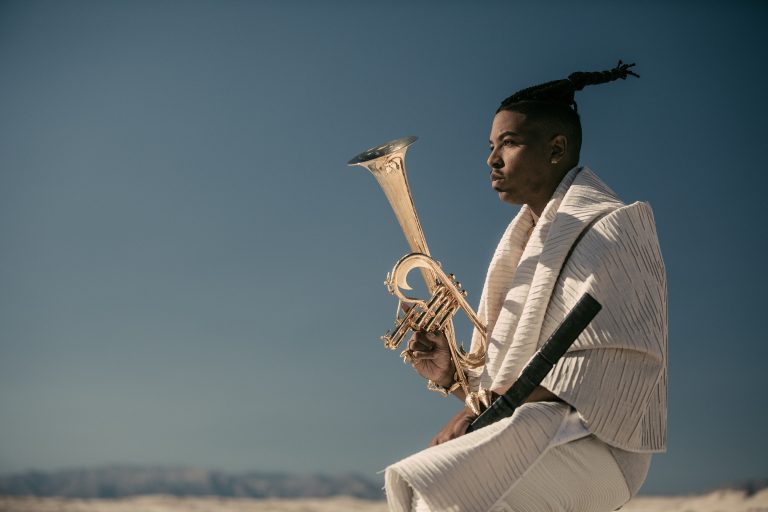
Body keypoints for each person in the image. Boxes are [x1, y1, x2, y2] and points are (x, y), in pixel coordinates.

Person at [384, 61, 668, 512]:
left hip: (599, 447)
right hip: (530, 427)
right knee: (424, 488)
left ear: (557, 148)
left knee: (441, 493)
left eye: (509, 143)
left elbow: (601, 365)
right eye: (492, 145)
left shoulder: (617, 226)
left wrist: (476, 411)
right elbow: (504, 385)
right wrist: (451, 376)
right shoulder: (519, 250)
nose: (492, 159)